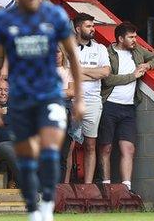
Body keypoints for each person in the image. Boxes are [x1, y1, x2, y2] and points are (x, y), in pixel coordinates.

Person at [0, 0, 84, 221]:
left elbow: (73, 56)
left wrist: (79, 98)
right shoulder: (4, 20)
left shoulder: (56, 17)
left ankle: (46, 204)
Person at [98, 21, 154, 192]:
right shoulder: (107, 52)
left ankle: (126, 188)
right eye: (131, 37)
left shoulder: (137, 50)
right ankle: (105, 186)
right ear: (120, 38)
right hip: (109, 105)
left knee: (129, 148)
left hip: (129, 108)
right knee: (106, 146)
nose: (135, 40)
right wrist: (132, 76)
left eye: (135, 36)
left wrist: (147, 65)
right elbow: (108, 79)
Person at [67, 12, 108, 183]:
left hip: (92, 100)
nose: (93, 29)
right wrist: (93, 74)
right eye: (89, 26)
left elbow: (105, 72)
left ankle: (88, 186)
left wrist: (80, 72)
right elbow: (67, 73)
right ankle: (65, 186)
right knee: (69, 145)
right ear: (78, 28)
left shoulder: (100, 48)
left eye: (93, 26)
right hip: (72, 100)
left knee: (91, 144)